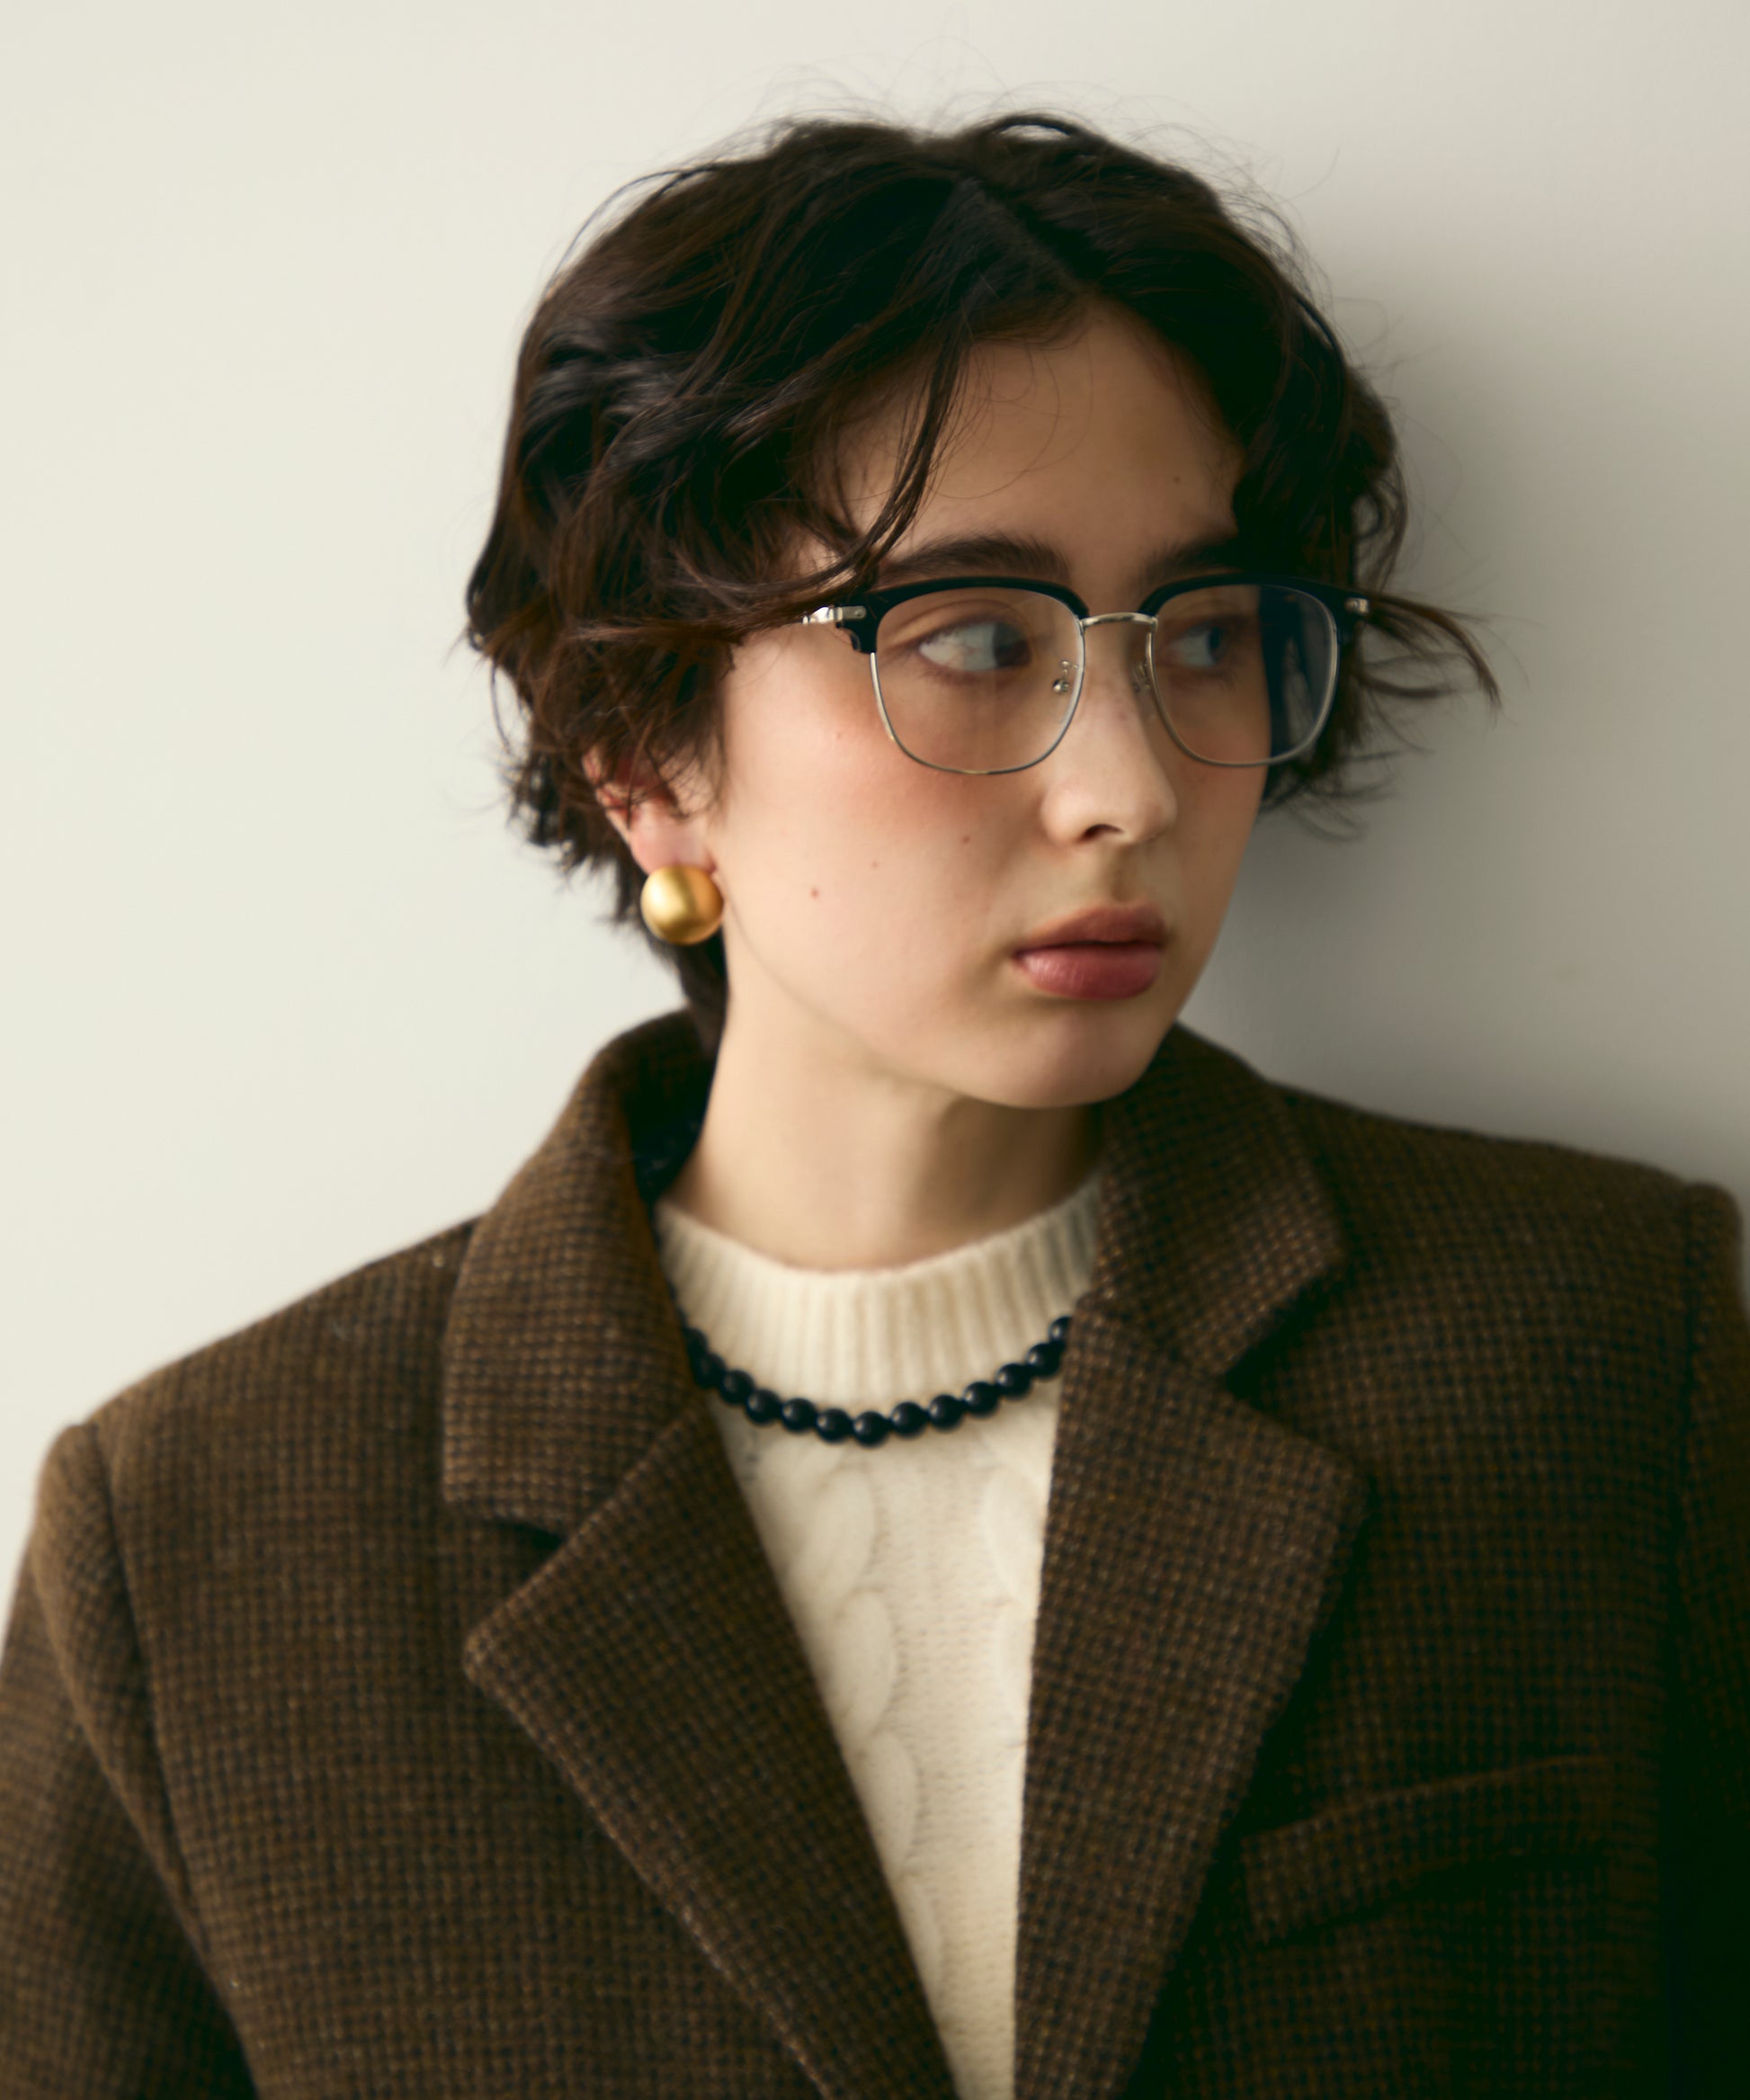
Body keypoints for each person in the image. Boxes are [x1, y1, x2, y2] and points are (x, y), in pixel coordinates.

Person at [1, 107, 1745, 2100]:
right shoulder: (200, 1541)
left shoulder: (1600, 1351)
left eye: (1202, 639)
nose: (1130, 788)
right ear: (643, 751)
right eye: (976, 640)